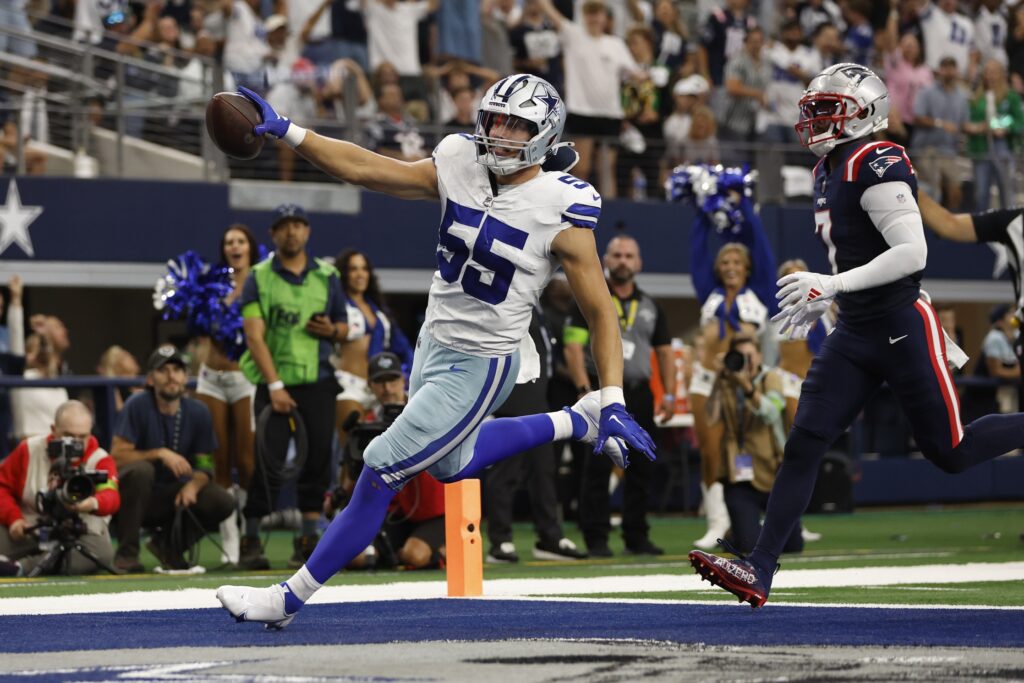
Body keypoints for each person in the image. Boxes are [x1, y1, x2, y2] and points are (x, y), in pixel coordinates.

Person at [216, 72, 656, 628]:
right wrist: (288, 131)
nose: (500, 133)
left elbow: (600, 311)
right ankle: (575, 422)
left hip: (482, 363)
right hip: (432, 339)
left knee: (379, 467)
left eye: (517, 124)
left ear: (545, 134)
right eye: (495, 119)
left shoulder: (562, 205)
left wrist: (613, 391)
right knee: (451, 464)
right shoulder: (458, 160)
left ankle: (286, 600)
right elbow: (368, 168)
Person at [690, 63, 1024, 609]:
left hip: (900, 325)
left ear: (866, 112)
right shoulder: (830, 167)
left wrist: (831, 285)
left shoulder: (877, 159)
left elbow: (913, 253)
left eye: (829, 110)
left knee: (951, 452)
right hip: (855, 329)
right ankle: (759, 569)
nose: (817, 120)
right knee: (805, 440)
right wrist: (831, 300)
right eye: (814, 110)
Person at [235, 204, 349, 571]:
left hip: (317, 383)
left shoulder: (328, 275)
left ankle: (307, 541)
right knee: (266, 461)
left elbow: (345, 327)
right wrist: (275, 385)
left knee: (318, 460)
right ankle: (250, 541)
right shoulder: (259, 276)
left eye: (298, 225)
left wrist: (331, 331)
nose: (291, 232)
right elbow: (254, 337)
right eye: (284, 227)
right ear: (273, 234)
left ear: (307, 232)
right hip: (275, 384)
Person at [564, 235, 674, 557]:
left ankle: (636, 537)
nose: (623, 260)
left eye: (629, 255)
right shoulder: (587, 298)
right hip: (600, 392)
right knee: (597, 469)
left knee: (642, 467)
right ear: (606, 261)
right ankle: (596, 538)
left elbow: (665, 352)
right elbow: (572, 348)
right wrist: (585, 389)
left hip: (639, 394)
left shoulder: (652, 306)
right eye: (617, 255)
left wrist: (669, 394)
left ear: (638, 263)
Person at [111, 346, 234, 573]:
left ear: (185, 377)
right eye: (163, 370)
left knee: (223, 501)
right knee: (141, 471)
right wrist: (159, 453)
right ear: (150, 379)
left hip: (175, 496)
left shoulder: (199, 411)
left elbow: (206, 466)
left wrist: (193, 486)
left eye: (177, 369)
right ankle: (126, 554)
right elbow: (116, 457)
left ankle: (168, 547)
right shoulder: (136, 405)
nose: (171, 376)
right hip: (135, 498)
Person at [486, 305, 587, 563]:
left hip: (539, 397)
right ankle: (500, 541)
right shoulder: (507, 300)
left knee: (544, 469)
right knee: (506, 471)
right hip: (513, 397)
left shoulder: (538, 308)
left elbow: (546, 357)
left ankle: (550, 537)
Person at [327, 352, 445, 570]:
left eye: (392, 380)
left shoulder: (429, 412)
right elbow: (351, 475)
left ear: (403, 380)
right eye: (380, 382)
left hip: (433, 512)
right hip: (393, 514)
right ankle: (393, 553)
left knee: (414, 555)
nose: (387, 388)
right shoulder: (367, 425)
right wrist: (336, 497)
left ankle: (445, 550)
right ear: (370, 385)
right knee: (358, 558)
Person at [194, 224, 259, 566]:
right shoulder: (211, 283)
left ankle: (248, 533)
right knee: (219, 460)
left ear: (250, 247)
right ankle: (229, 544)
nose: (234, 246)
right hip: (211, 378)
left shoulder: (261, 281)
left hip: (244, 376)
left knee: (246, 462)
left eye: (240, 241)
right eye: (229, 241)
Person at [705, 334, 801, 555]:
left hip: (771, 469)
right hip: (738, 475)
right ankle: (740, 530)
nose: (746, 362)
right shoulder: (725, 381)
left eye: (750, 356)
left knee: (794, 546)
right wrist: (718, 382)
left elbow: (770, 412)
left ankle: (738, 531)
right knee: (751, 546)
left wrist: (748, 388)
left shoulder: (771, 378)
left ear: (758, 356)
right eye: (740, 357)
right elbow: (710, 418)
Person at [0, 400, 120, 575]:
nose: (76, 443)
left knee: (102, 552)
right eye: (68, 435)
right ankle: (41, 562)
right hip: (31, 528)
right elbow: (2, 486)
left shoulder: (100, 459)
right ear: (53, 430)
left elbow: (112, 497)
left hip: (79, 534)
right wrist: (14, 519)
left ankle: (20, 567)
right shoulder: (29, 449)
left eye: (82, 437)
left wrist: (91, 503)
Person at [333, 249, 414, 455]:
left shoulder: (378, 310)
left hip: (379, 387)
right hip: (348, 384)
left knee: (389, 445)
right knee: (352, 451)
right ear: (343, 273)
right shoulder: (334, 305)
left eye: (364, 269)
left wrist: (413, 376)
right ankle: (345, 487)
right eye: (353, 269)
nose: (360, 274)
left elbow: (402, 347)